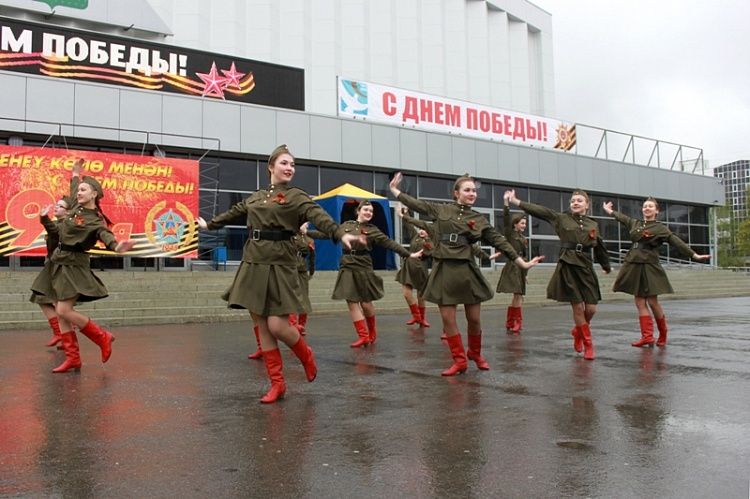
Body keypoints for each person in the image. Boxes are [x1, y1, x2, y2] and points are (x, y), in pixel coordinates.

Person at [197, 144, 362, 404]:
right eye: (284, 163)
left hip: (281, 261)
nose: (289, 168)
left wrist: (339, 233)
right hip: (254, 261)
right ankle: (278, 384)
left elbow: (318, 216)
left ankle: (306, 354)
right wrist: (210, 224)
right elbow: (235, 212)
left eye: (292, 165)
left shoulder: (296, 196)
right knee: (262, 325)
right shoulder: (256, 197)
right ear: (271, 167)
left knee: (278, 324)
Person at [390, 172, 542, 375]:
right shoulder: (442, 209)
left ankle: (475, 354)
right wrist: (395, 191)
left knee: (474, 319)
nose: (472, 194)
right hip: (444, 269)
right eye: (467, 190)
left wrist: (521, 262)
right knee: (448, 319)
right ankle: (459, 360)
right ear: (456, 193)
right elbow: (419, 205)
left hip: (467, 270)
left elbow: (499, 241)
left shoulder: (478, 218)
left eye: (474, 191)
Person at [30, 159, 135, 373]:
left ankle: (102, 336)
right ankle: (73, 358)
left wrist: (117, 246)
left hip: (74, 266)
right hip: (60, 263)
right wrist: (75, 172)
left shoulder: (95, 220)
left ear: (94, 194)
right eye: (78, 190)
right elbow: (73, 186)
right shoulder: (76, 206)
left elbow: (106, 235)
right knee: (61, 313)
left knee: (63, 309)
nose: (78, 193)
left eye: (84, 190)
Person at [506, 188, 611, 360]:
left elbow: (599, 247)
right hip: (568, 265)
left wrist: (606, 265)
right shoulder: (561, 218)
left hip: (586, 267)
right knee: (577, 307)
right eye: (573, 201)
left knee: (591, 309)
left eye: (579, 200)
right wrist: (517, 202)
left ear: (587, 205)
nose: (575, 203)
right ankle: (588, 344)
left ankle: (578, 332)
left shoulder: (593, 224)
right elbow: (541, 211)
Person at [603, 197, 710, 347]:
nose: (647, 208)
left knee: (652, 302)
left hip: (649, 265)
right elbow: (623, 218)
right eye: (645, 206)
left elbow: (676, 241)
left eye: (650, 206)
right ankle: (647, 336)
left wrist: (694, 255)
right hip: (633, 264)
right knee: (639, 301)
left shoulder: (660, 228)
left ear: (656, 211)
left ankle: (663, 333)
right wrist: (610, 211)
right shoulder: (636, 223)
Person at [330, 199, 422, 348]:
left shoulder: (372, 230)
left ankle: (372, 332)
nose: (368, 213)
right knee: (351, 301)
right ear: (358, 211)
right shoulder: (346, 225)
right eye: (366, 210)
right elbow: (331, 233)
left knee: (365, 303)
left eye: (371, 211)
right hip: (347, 264)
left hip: (363, 265)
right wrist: (305, 231)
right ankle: (363, 336)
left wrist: (408, 254)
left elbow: (389, 243)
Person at [247, 223, 316, 360]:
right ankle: (261, 347)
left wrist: (311, 272)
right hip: (276, 268)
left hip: (298, 271)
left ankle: (298, 333)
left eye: (305, 223)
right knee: (256, 310)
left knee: (298, 303)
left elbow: (311, 256)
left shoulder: (307, 239)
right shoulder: (286, 233)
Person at [30, 195, 72, 349]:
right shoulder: (61, 223)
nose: (57, 207)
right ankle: (62, 335)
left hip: (59, 268)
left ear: (68, 212)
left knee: (59, 305)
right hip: (52, 265)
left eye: (61, 206)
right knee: (44, 298)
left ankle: (65, 336)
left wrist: (44, 218)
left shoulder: (66, 225)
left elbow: (54, 232)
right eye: (57, 205)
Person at [497, 199, 529, 334]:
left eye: (525, 223)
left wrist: (526, 274)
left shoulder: (523, 238)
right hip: (512, 266)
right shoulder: (510, 234)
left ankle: (511, 321)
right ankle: (516, 321)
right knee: (517, 295)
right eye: (522, 223)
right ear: (515, 224)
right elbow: (505, 220)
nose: (524, 225)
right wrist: (505, 204)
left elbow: (526, 257)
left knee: (518, 295)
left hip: (521, 268)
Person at [396, 207, 432, 328]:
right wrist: (405, 212)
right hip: (408, 267)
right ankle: (416, 316)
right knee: (407, 293)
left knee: (421, 295)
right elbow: (408, 225)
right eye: (421, 229)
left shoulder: (431, 241)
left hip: (421, 268)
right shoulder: (414, 236)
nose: (422, 231)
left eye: (425, 229)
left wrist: (427, 240)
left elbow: (430, 252)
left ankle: (422, 319)